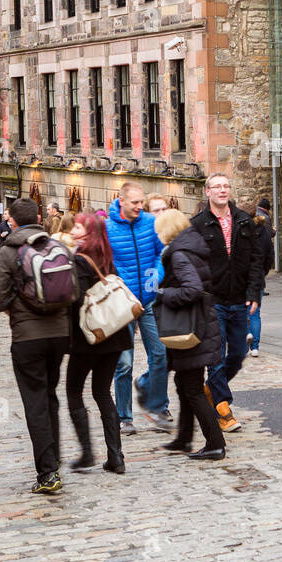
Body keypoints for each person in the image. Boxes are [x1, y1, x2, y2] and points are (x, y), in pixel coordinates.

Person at [0, 197, 72, 495]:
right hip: (60, 335)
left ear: (12, 221)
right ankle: (54, 459)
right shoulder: (58, 246)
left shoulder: (9, 252)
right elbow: (74, 292)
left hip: (28, 337)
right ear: (38, 217)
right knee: (50, 396)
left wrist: (19, 302)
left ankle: (48, 472)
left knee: (35, 401)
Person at [190, 174, 265, 433]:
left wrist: (254, 291)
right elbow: (191, 262)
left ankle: (211, 389)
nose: (222, 190)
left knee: (237, 354)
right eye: (217, 186)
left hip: (240, 298)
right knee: (216, 356)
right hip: (213, 300)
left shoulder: (244, 221)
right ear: (208, 191)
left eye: (226, 186)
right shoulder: (198, 224)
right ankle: (223, 407)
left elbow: (257, 260)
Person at [153, 209, 227, 460]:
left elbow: (193, 289)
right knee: (184, 384)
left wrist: (163, 295)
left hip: (191, 327)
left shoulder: (179, 254)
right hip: (199, 324)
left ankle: (215, 444)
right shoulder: (191, 246)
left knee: (192, 388)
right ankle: (184, 439)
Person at [66, 213, 128, 475]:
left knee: (73, 391)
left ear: (88, 232)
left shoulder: (79, 260)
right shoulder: (105, 257)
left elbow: (76, 300)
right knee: (103, 393)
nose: (73, 230)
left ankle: (88, 452)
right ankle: (116, 456)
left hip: (89, 339)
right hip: (114, 335)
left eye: (78, 226)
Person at [106, 181, 171, 435]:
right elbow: (103, 260)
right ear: (121, 201)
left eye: (141, 202)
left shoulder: (149, 223)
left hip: (150, 300)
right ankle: (124, 417)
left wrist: (155, 275)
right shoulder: (108, 227)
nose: (139, 206)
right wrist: (115, 280)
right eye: (134, 202)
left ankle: (158, 406)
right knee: (123, 363)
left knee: (160, 354)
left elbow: (160, 253)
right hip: (123, 304)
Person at [244, 195, 274, 358]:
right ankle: (255, 346)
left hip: (242, 276)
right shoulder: (263, 231)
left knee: (242, 310)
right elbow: (270, 253)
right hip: (258, 276)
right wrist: (263, 271)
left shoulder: (240, 229)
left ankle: (247, 335)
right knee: (256, 312)